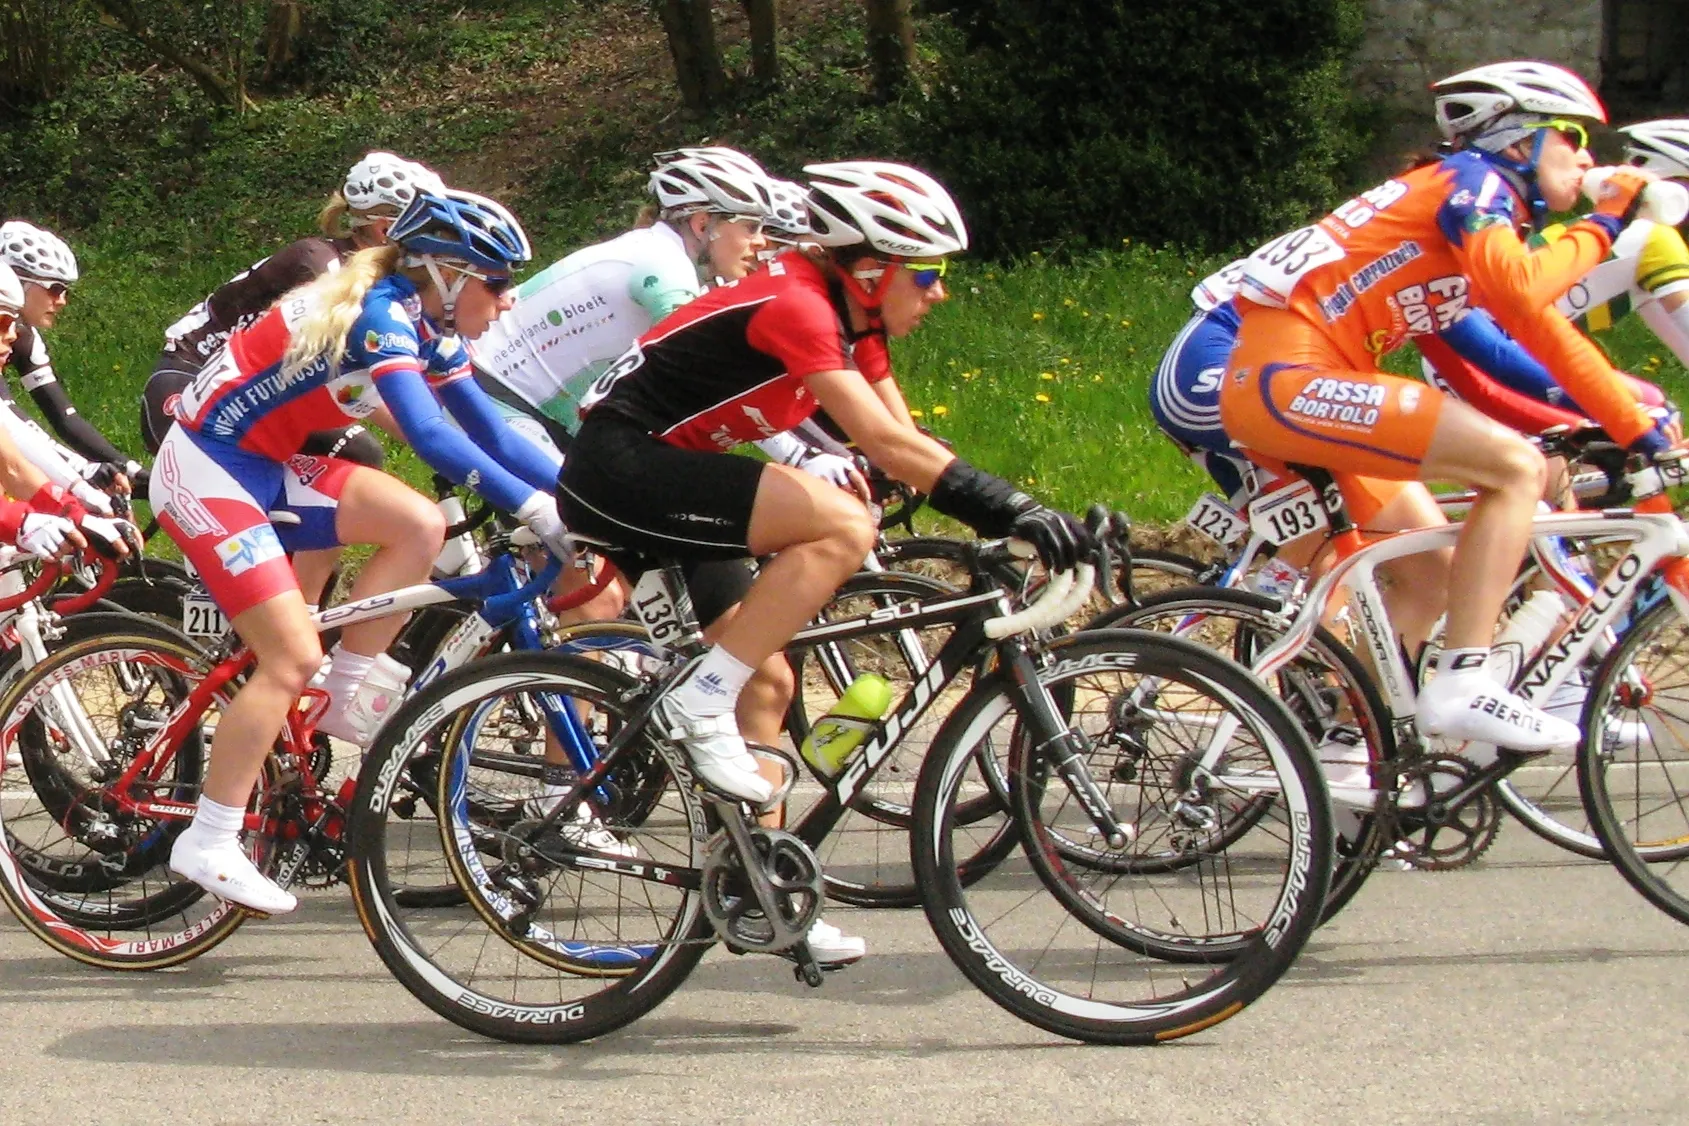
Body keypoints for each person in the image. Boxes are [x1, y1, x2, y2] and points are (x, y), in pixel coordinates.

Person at [558, 160, 1095, 964]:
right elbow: (880, 444)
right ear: (871, 270)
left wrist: (1015, 513)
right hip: (619, 469)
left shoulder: (857, 322)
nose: (939, 292)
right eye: (928, 274)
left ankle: (760, 894)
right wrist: (1013, 509)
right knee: (837, 528)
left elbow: (906, 444)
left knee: (769, 684)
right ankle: (698, 697)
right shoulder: (798, 306)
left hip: (665, 479)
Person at [1217, 60, 1669, 756]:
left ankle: (1347, 751)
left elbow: (1539, 334)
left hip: (1294, 382)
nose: (1587, 157)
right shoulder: (1472, 184)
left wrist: (1632, 425)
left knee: (1429, 573)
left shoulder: (1465, 208)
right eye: (1572, 138)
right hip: (1287, 379)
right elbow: (1522, 293)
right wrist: (1607, 219)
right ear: (1518, 141)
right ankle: (1464, 681)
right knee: (1514, 470)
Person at [154, 188, 568, 915]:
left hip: (266, 465)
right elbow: (434, 438)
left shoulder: (419, 318)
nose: (506, 303)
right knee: (288, 657)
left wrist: (580, 498)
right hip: (206, 465)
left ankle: (346, 691)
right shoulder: (379, 316)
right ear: (447, 273)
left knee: (417, 522)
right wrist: (532, 507)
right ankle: (210, 836)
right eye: (497, 284)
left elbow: (494, 437)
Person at [142, 152, 443, 605]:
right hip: (185, 378)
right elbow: (347, 381)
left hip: (250, 390)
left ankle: (297, 605)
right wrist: (435, 439)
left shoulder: (382, 285)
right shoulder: (325, 266)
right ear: (386, 230)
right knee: (359, 450)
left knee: (337, 476)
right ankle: (295, 614)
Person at [0, 222, 145, 487]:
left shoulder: (24, 337)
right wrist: (82, 469)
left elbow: (65, 418)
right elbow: (10, 422)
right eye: (55, 288)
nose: (63, 300)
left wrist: (131, 469)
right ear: (18, 281)